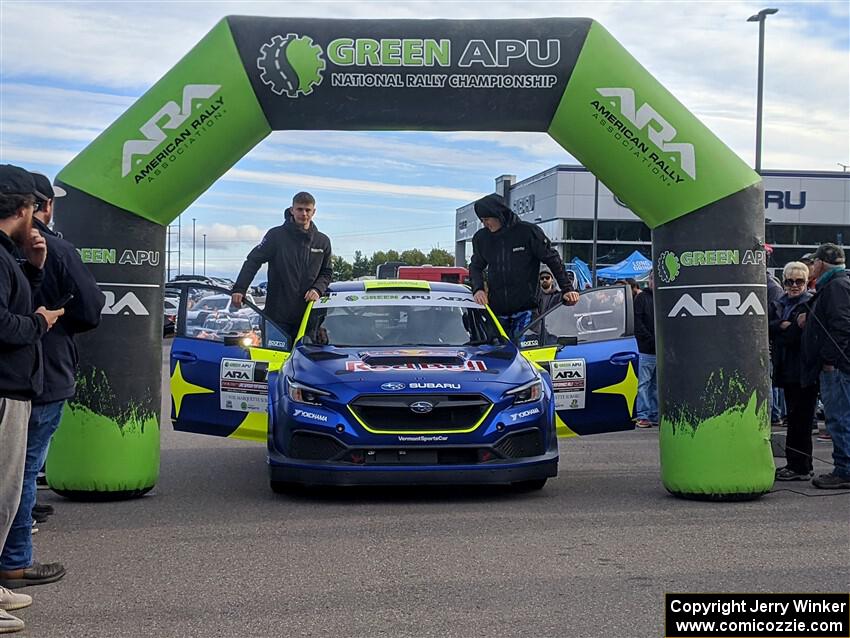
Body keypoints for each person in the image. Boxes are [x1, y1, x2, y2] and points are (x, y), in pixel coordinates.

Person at [0, 173, 104, 590]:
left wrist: (38, 271)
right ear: (34, 208)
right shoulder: (54, 248)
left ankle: (13, 561)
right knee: (18, 475)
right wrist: (43, 320)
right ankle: (15, 561)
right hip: (33, 375)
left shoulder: (32, 252)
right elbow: (91, 309)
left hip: (30, 375)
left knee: (17, 475)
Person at [0, 165, 64, 633]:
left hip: (15, 390)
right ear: (24, 209)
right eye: (35, 209)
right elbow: (6, 325)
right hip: (4, 392)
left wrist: (36, 269)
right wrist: (42, 322)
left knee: (6, 495)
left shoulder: (10, 254)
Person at [469, 194, 578, 341]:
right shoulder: (481, 238)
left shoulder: (528, 232)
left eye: (486, 219)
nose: (484, 224)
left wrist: (567, 289)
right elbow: (475, 266)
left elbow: (553, 259)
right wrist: (478, 288)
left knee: (525, 354)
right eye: (482, 221)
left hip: (527, 310)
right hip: (497, 311)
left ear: (498, 214)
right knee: (498, 355)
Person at [231, 192, 332, 346]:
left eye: (307, 210)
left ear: (314, 212)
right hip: (277, 319)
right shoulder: (276, 236)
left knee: (305, 365)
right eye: (299, 209)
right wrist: (240, 288)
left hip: (308, 320)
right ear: (292, 210)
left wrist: (317, 289)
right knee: (275, 365)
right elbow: (253, 260)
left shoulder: (322, 241)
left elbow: (326, 272)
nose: (303, 214)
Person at [799, 243, 850, 489]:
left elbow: (841, 325)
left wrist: (830, 360)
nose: (811, 268)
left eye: (813, 263)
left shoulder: (836, 287)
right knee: (840, 418)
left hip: (836, 368)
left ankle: (845, 470)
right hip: (837, 365)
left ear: (820, 263)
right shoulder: (838, 284)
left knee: (839, 418)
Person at [769, 262, 816, 480]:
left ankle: (800, 466)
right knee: (794, 418)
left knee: (801, 419)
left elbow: (794, 337)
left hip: (803, 370)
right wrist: (782, 325)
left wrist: (787, 328)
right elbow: (767, 326)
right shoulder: (779, 303)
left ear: (806, 282)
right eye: (790, 281)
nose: (794, 285)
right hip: (787, 368)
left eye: (799, 281)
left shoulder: (809, 304)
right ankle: (796, 464)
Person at [633, 272, 657, 428]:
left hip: (659, 350)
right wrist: (651, 339)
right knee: (645, 383)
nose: (653, 282)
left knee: (655, 384)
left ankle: (654, 414)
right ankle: (643, 415)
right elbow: (638, 323)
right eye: (652, 278)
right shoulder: (641, 298)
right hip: (646, 349)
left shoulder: (663, 298)